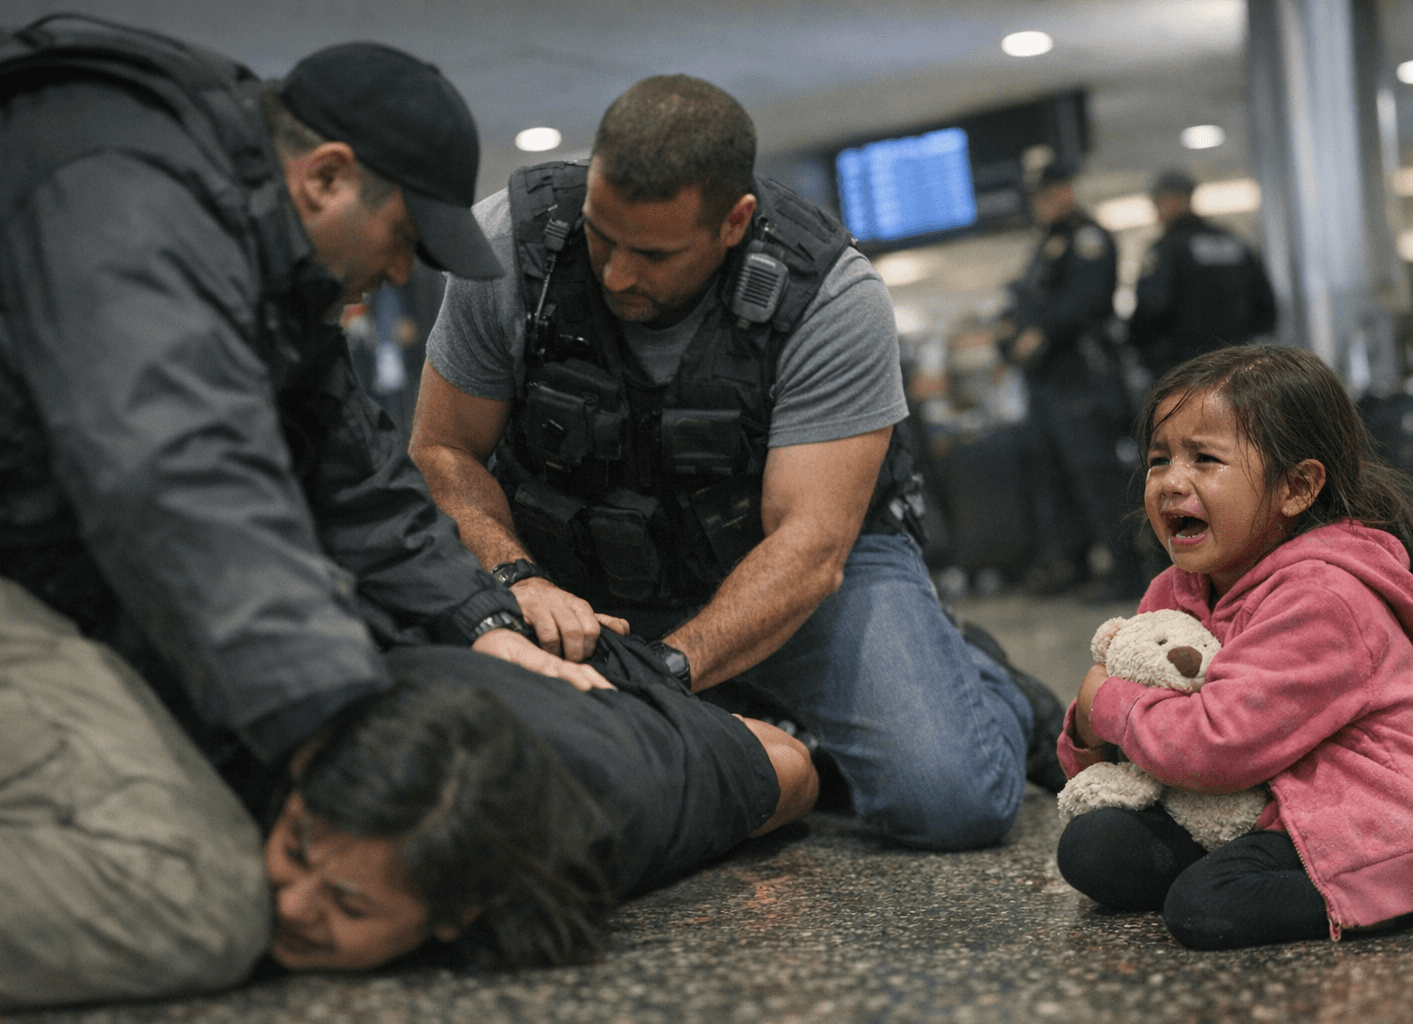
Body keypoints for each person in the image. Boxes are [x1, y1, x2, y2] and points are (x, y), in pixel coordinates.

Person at [0, 15, 605, 1012]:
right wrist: (335, 734)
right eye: (400, 242)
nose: (397, 278)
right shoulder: (117, 176)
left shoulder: (254, 246)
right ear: (328, 176)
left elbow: (351, 469)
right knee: (200, 892)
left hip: (8, 559)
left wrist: (480, 617)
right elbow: (174, 461)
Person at [411, 74, 1067, 852]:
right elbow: (444, 448)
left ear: (735, 223)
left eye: (652, 253)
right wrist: (516, 575)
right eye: (602, 236)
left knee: (948, 802)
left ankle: (985, 684)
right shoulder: (513, 247)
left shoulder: (830, 295)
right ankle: (761, 700)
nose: (617, 274)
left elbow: (811, 545)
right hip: (581, 564)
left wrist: (668, 673)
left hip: (796, 564)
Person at [1055, 344, 1413, 950]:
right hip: (1258, 807)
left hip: (1367, 819)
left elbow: (1218, 745)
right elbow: (1129, 744)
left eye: (1205, 459)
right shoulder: (1177, 588)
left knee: (1205, 908)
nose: (1173, 482)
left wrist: (1106, 707)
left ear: (1297, 487)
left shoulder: (1326, 597)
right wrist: (1091, 732)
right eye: (1159, 460)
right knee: (1095, 847)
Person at [262, 637, 816, 972]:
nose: (289, 905)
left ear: (462, 913)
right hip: (437, 650)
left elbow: (791, 767)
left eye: (349, 904)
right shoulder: (287, 729)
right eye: (294, 846)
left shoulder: (609, 814)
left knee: (793, 763)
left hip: (596, 701)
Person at [998, 163, 1144, 600]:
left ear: (1065, 191)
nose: (1044, 203)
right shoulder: (1044, 246)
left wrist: (1041, 334)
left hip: (1083, 380)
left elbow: (1087, 302)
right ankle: (1076, 564)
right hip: (1048, 384)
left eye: (1049, 193)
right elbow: (1021, 305)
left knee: (1096, 476)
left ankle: (1128, 571)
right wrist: (1012, 340)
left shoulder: (1087, 238)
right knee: (1055, 479)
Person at [1127, 169, 1277, 379]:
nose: (1156, 212)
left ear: (1171, 200)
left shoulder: (1168, 249)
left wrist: (1140, 349)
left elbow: (1152, 307)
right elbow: (1266, 304)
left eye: (1157, 203)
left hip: (1186, 368)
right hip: (1239, 365)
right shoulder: (1233, 241)